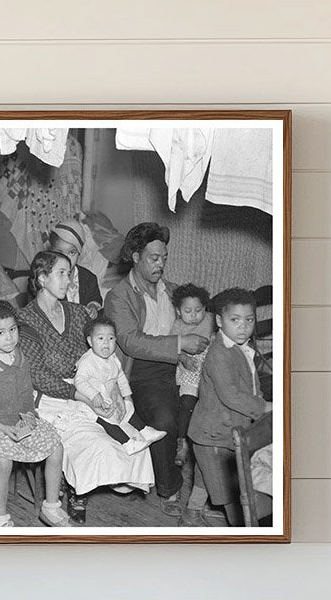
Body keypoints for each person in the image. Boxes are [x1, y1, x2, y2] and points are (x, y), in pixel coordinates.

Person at [16, 250, 155, 525]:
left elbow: (100, 356)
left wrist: (112, 390)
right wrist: (81, 396)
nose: (69, 280)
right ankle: (73, 490)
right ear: (42, 278)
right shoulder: (25, 320)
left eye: (70, 273)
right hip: (51, 399)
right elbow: (38, 375)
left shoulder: (78, 314)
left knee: (133, 438)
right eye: (62, 273)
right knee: (95, 444)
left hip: (89, 390)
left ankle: (95, 481)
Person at [104, 222, 209, 518]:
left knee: (213, 402)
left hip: (177, 364)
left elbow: (197, 317)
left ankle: (206, 487)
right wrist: (180, 343)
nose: (160, 264)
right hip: (141, 371)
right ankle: (169, 487)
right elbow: (130, 341)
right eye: (153, 258)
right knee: (163, 417)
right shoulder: (119, 295)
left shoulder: (171, 290)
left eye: (164, 258)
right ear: (135, 256)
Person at [0, 298, 70, 528]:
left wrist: (28, 418)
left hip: (17, 421)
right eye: (1, 332)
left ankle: (51, 506)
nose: (9, 337)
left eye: (13, 330)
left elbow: (25, 395)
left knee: (56, 446)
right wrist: (2, 428)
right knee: (2, 460)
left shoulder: (20, 358)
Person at [189, 287, 271, 526]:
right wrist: (264, 407)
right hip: (214, 433)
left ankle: (192, 512)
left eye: (249, 320)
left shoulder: (241, 346)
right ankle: (241, 529)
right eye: (234, 320)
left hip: (222, 428)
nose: (243, 326)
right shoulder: (219, 354)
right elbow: (232, 395)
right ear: (219, 321)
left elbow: (251, 384)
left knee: (206, 476)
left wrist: (259, 399)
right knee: (232, 493)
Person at [73, 313, 167, 453]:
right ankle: (127, 443)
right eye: (100, 338)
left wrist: (127, 396)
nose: (106, 342)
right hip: (92, 401)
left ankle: (144, 430)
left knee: (129, 409)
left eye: (111, 338)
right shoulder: (88, 361)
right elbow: (79, 381)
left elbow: (120, 376)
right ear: (90, 341)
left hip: (109, 395)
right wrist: (94, 395)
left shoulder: (112, 357)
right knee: (108, 421)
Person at [169, 283, 214, 466]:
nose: (194, 315)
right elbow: (172, 348)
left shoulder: (210, 319)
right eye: (188, 311)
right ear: (179, 311)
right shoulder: (178, 326)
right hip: (190, 367)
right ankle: (182, 441)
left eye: (199, 310)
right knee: (187, 402)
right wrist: (183, 359)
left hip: (210, 367)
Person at [48, 218, 102, 318]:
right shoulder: (45, 279)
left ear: (79, 254)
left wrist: (92, 305)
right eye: (59, 253)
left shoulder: (88, 278)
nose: (65, 259)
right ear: (51, 251)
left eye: (71, 253)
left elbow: (95, 297)